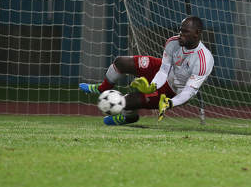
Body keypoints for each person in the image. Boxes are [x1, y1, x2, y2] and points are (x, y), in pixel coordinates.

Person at [79, 16, 214, 125]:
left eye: (185, 32)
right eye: (180, 30)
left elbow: (188, 92)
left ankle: (129, 118)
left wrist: (170, 103)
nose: (180, 35)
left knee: (126, 102)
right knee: (121, 62)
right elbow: (163, 70)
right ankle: (103, 88)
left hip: (172, 92)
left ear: (197, 33)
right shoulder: (173, 43)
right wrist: (152, 86)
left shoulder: (203, 60)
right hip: (163, 72)